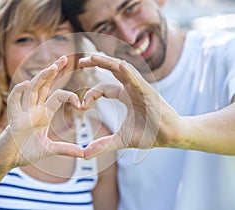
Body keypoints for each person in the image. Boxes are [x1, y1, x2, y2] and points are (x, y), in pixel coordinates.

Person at [0, 0, 118, 209]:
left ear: (78, 53)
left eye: (58, 37)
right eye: (24, 39)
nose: (44, 54)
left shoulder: (98, 141)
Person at [61, 0, 235, 210]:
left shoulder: (225, 52)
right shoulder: (91, 90)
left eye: (130, 8)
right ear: (92, 41)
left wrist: (179, 131)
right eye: (105, 28)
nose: (129, 36)